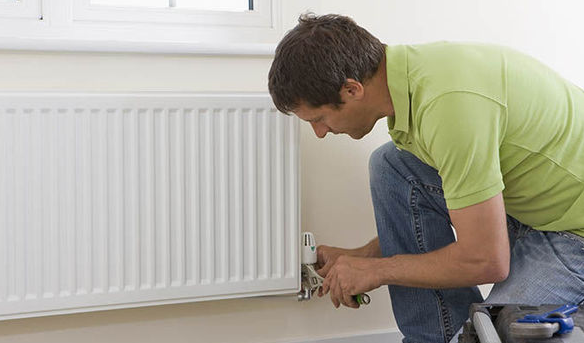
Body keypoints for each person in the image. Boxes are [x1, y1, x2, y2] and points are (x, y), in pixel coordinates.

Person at [268, 13, 584, 343]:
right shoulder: (408, 83)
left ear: (351, 89)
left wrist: (376, 272)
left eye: (319, 119)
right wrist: (363, 256)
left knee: (492, 334)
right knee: (391, 165)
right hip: (527, 206)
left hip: (574, 231)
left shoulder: (447, 108)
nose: (319, 133)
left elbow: (488, 260)